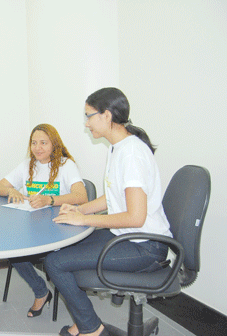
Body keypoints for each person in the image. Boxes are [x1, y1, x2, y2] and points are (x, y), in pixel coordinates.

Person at [44, 88, 172, 336]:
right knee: (61, 246)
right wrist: (79, 209)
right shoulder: (118, 148)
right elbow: (112, 198)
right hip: (125, 234)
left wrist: (84, 219)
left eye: (89, 115)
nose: (86, 123)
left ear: (107, 115)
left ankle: (91, 328)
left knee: (55, 262)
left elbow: (136, 217)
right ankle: (86, 321)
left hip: (145, 246)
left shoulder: (132, 154)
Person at [0, 123, 88, 318]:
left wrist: (50, 199)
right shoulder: (28, 165)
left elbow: (81, 196)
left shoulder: (65, 165)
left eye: (43, 142)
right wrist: (11, 189)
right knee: (15, 252)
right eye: (34, 143)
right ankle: (41, 291)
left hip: (59, 229)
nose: (38, 148)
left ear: (54, 144)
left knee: (49, 258)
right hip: (33, 228)